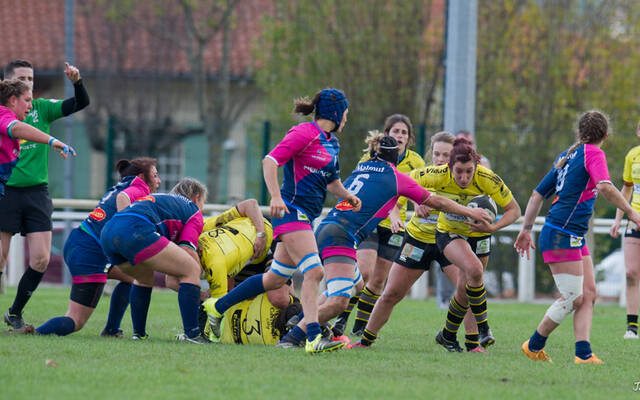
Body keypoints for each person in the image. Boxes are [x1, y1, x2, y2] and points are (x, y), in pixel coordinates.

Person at [277, 133, 490, 349]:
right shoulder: (395, 176)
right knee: (339, 302)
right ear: (396, 156)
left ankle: (306, 317)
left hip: (326, 228)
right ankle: (294, 337)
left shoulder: (362, 168)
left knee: (358, 284)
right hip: (342, 237)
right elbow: (436, 201)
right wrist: (470, 212)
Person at [203, 88, 361, 353]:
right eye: (345, 113)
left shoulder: (332, 142)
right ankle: (312, 338)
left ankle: (216, 307)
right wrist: (275, 197)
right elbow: (270, 161)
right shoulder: (304, 133)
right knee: (315, 272)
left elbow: (331, 181)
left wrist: (349, 196)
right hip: (290, 212)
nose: (346, 118)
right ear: (335, 112)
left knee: (275, 279)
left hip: (305, 216)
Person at [516, 110, 640, 364]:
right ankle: (534, 344)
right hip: (562, 232)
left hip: (569, 233)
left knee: (589, 292)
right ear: (605, 135)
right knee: (573, 297)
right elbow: (605, 186)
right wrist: (631, 212)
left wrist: (527, 229)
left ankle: (583, 354)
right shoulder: (593, 153)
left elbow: (537, 195)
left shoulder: (567, 156)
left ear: (579, 133)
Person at [353, 131, 486, 352]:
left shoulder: (464, 177)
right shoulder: (422, 175)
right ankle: (365, 340)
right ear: (431, 154)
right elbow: (394, 201)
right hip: (418, 240)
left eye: (446, 154)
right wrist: (397, 217)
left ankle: (472, 344)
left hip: (450, 241)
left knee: (467, 289)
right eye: (437, 154)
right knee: (392, 292)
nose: (441, 159)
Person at [394, 138, 520, 352]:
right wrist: (412, 203)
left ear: (476, 167)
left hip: (479, 235)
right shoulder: (436, 174)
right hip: (449, 233)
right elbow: (401, 183)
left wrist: (492, 228)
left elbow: (514, 210)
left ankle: (448, 334)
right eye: (459, 171)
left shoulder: (487, 178)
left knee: (465, 287)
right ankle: (484, 328)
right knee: (475, 270)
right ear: (449, 166)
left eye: (469, 171)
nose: (464, 177)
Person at [14, 159, 160, 336]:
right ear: (142, 177)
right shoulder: (138, 189)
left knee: (134, 277)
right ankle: (32, 334)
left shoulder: (119, 187)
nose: (158, 181)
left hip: (80, 241)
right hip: (90, 252)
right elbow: (126, 201)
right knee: (76, 320)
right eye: (155, 175)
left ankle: (112, 330)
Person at [2, 59, 88, 322]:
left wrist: (77, 82)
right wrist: (53, 140)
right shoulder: (6, 114)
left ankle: (14, 313)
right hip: (6, 192)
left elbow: (80, 103)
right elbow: (17, 128)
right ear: (10, 89)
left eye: (31, 79)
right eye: (22, 79)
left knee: (40, 259)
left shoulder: (40, 109)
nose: (29, 83)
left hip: (36, 193)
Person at [342, 114, 426, 336]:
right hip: (370, 220)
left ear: (409, 139)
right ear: (386, 134)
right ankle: (341, 318)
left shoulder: (416, 162)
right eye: (395, 131)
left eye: (404, 132)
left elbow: (420, 191)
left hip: (395, 227)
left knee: (379, 280)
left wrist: (419, 205)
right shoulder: (370, 157)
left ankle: (360, 327)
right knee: (365, 271)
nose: (399, 135)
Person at [100, 178, 208, 344]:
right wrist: (201, 275)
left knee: (144, 277)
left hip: (108, 231)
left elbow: (170, 276)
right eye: (203, 203)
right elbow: (187, 250)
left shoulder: (166, 202)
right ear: (196, 198)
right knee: (191, 269)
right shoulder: (194, 211)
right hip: (135, 230)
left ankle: (139, 334)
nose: (202, 208)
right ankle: (193, 335)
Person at [198, 199, 273, 298]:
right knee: (241, 299)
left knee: (278, 297)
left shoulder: (200, 226)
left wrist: (261, 235)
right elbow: (173, 281)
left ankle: (296, 309)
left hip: (268, 235)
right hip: (247, 256)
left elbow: (251, 204)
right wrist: (202, 295)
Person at [610, 120, 640, 339]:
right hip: (635, 218)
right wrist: (618, 219)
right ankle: (632, 327)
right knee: (630, 273)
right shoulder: (633, 155)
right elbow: (627, 189)